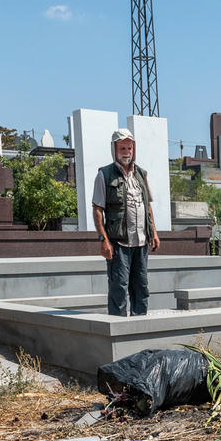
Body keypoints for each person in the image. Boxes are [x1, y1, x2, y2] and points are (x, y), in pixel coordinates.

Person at [92, 128, 160, 316]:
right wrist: (103, 240)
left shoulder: (141, 174)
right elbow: (97, 209)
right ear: (114, 149)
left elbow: (147, 207)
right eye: (122, 148)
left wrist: (153, 232)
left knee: (141, 286)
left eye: (129, 148)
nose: (126, 152)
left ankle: (139, 327)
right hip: (118, 242)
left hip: (141, 242)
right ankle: (119, 329)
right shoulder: (104, 175)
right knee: (119, 288)